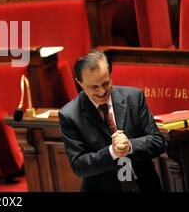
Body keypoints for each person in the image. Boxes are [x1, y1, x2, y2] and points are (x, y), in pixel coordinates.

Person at [59, 50, 166, 192]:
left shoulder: (134, 98)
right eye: (94, 87)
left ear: (110, 74)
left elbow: (158, 142)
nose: (102, 91)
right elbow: (79, 166)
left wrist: (130, 146)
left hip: (145, 187)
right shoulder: (69, 115)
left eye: (106, 83)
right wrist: (112, 151)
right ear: (80, 83)